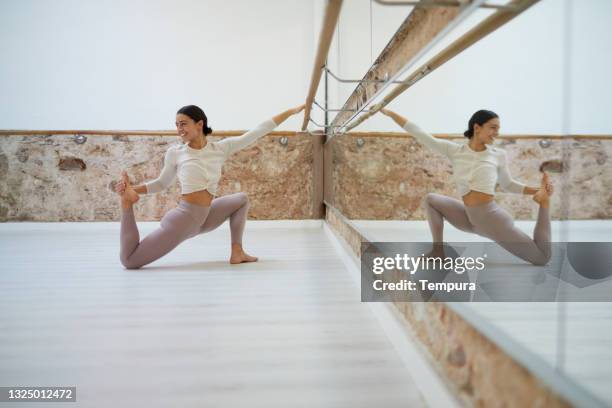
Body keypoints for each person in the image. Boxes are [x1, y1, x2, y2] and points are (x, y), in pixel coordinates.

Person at [114, 104, 305, 269]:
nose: (179, 129)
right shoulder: (176, 153)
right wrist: (133, 190)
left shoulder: (220, 149)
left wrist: (290, 112)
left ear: (199, 124)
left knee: (241, 200)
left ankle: (237, 252)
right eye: (177, 125)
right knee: (130, 261)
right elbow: (162, 183)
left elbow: (257, 132)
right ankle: (127, 205)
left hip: (203, 218)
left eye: (183, 124)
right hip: (183, 220)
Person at [379, 108, 554, 266]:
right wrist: (390, 113)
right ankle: (438, 252)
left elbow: (508, 184)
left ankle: (544, 205)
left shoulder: (498, 155)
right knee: (431, 200)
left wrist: (537, 191)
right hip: (471, 219)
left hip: (492, 221)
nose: (497, 133)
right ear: (477, 128)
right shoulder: (455, 151)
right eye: (493, 127)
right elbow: (420, 133)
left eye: (498, 129)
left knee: (541, 258)